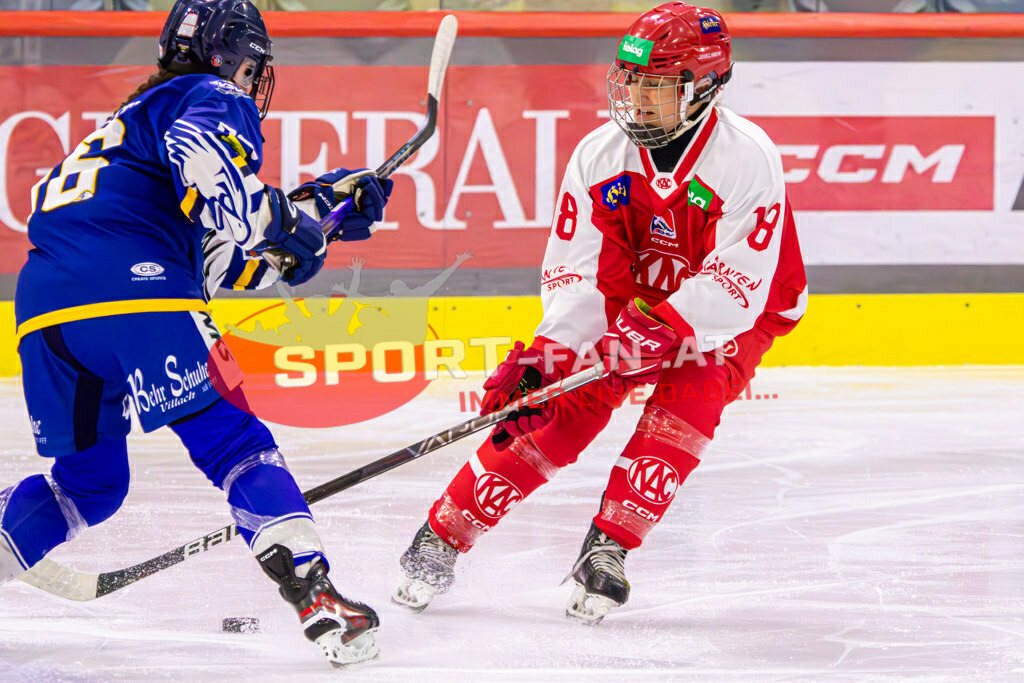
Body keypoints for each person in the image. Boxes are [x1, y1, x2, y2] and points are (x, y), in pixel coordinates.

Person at [0, 0, 392, 666]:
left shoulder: (128, 122)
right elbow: (210, 167)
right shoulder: (209, 95)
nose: (253, 79)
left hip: (43, 312)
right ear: (229, 54)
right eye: (251, 64)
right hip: (136, 286)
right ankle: (316, 593)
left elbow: (220, 261)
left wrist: (318, 215)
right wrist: (275, 222)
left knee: (89, 484)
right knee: (237, 444)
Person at [393, 1, 808, 625]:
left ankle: (608, 549)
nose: (639, 98)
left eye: (659, 85)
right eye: (633, 80)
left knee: (686, 402)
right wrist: (549, 356)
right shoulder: (599, 153)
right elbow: (576, 270)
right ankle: (441, 536)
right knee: (559, 414)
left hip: (731, 315)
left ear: (704, 87)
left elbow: (738, 283)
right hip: (631, 298)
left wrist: (661, 329)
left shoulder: (748, 157)